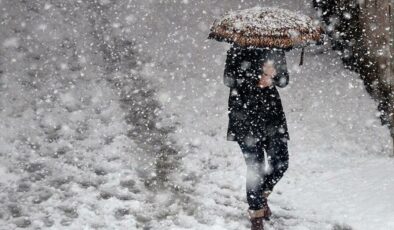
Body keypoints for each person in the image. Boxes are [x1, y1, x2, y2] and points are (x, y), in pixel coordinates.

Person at [223, 43, 290, 230]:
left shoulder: (275, 49)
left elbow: (284, 80)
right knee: (255, 167)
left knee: (281, 162)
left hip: (272, 117)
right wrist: (257, 77)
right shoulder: (237, 49)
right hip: (244, 116)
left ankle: (260, 196)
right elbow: (228, 80)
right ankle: (256, 214)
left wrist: (274, 75)